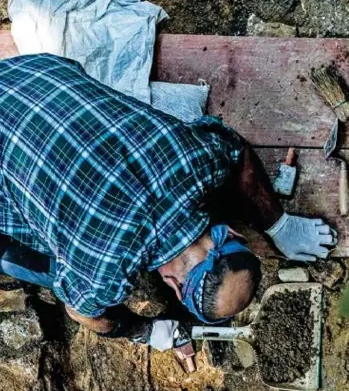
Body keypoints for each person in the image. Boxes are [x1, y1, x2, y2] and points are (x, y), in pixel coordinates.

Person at [0, 53, 336, 351]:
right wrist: (142, 331)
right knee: (36, 264)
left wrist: (279, 223)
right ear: (174, 287)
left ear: (232, 234)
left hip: (36, 72)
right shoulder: (103, 275)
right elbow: (82, 311)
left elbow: (236, 148)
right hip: (23, 92)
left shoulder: (196, 162)